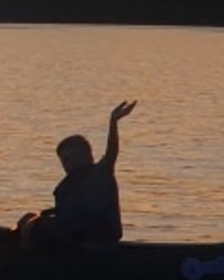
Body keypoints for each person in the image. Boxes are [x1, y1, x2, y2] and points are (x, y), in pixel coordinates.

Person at [18, 100, 137, 251]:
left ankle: (26, 261)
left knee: (31, 226)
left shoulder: (98, 175)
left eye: (72, 157)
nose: (68, 163)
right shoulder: (69, 184)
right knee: (28, 219)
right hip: (73, 240)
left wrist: (113, 122)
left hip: (94, 246)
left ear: (88, 156)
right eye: (64, 160)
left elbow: (111, 154)